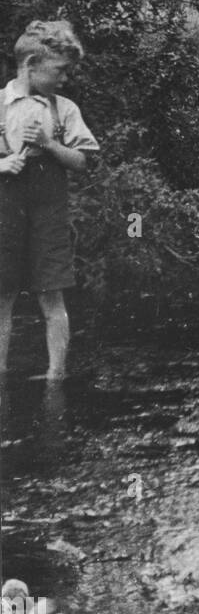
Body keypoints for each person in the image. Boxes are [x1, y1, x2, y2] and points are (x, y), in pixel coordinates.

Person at [0, 21, 99, 381]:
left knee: (52, 294)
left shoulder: (65, 110)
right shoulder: (0, 104)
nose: (65, 79)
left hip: (48, 209)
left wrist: (48, 143)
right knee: (2, 295)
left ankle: (55, 377)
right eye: (59, 70)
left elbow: (83, 161)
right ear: (29, 65)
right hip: (5, 208)